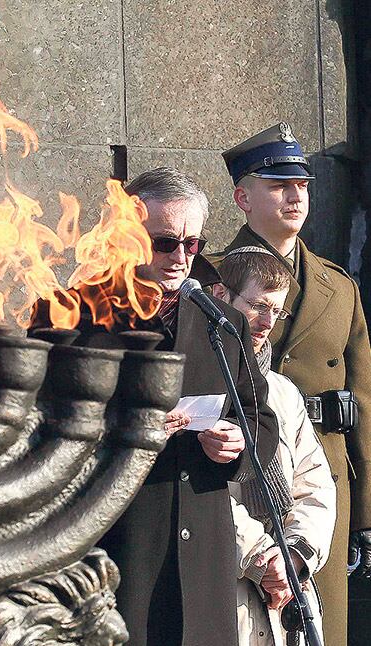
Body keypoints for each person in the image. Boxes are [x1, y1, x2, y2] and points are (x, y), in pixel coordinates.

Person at [33, 167, 279, 645]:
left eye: (193, 244)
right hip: (115, 547)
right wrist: (134, 428)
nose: (181, 257)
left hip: (202, 553)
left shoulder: (222, 320)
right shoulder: (71, 312)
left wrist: (236, 441)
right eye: (166, 242)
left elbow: (259, 417)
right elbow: (39, 418)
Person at [213, 122, 371, 646]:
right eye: (278, 184)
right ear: (242, 196)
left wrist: (366, 512)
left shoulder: (338, 285)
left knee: (316, 626)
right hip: (236, 480)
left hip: (318, 484)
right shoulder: (209, 278)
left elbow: (363, 397)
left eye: (302, 184)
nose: (295, 195)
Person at [212, 247, 336, 645]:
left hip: (289, 588)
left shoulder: (282, 392)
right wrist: (263, 557)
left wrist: (294, 555)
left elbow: (315, 482)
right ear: (221, 297)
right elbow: (198, 491)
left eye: (277, 312)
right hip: (226, 582)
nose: (268, 322)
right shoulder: (195, 381)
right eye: (258, 306)